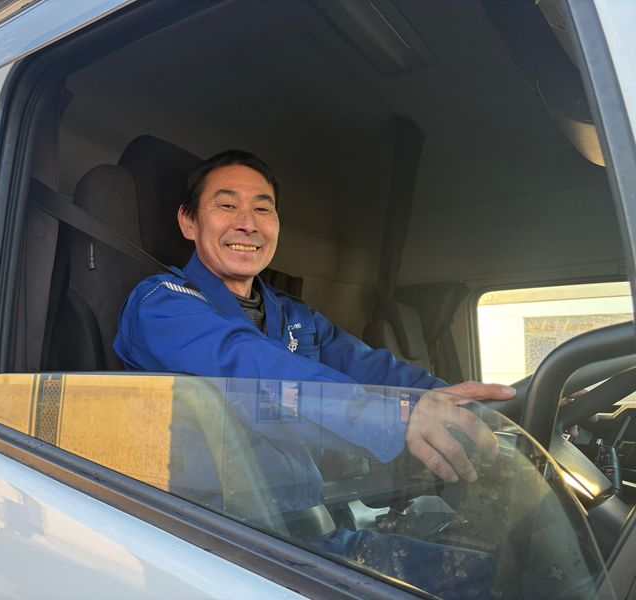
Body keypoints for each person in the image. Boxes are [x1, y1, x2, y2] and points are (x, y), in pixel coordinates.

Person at [114, 150, 513, 596]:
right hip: (214, 544)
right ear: (189, 222)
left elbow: (369, 366)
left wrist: (457, 404)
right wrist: (402, 416)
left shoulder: (291, 313)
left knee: (502, 575)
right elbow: (256, 371)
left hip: (301, 531)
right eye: (226, 205)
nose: (247, 223)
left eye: (263, 209)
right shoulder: (162, 304)